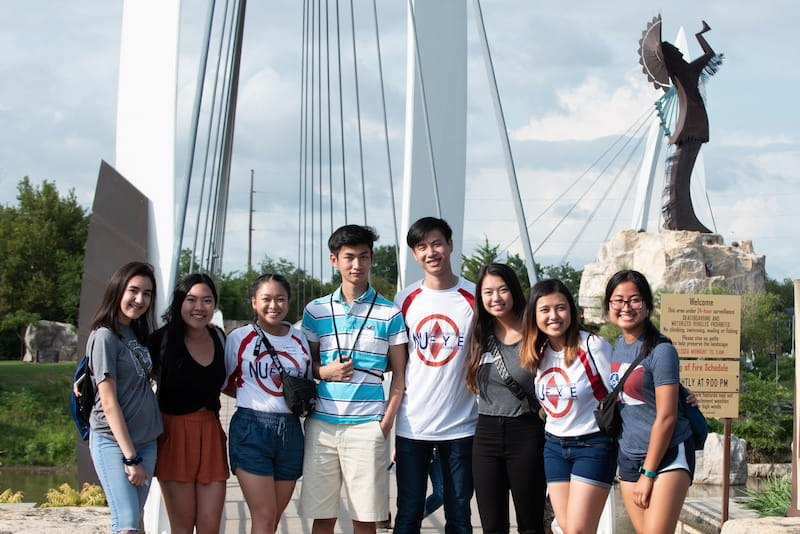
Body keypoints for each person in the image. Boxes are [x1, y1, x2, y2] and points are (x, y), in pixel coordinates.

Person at [300, 225, 408, 534]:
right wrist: (325, 372)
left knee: (366, 518)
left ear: (373, 258)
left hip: (367, 426)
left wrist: (383, 425)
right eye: (349, 257)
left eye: (363, 257)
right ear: (334, 260)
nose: (356, 265)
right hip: (322, 425)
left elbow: (400, 376)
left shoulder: (390, 313)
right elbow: (308, 365)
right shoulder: (315, 311)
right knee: (322, 517)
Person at [393, 217, 477, 534]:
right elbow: (394, 362)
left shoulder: (474, 295)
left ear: (451, 245)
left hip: (461, 426)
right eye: (422, 246)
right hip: (412, 425)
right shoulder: (404, 300)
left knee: (459, 514)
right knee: (408, 513)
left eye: (437, 243)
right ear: (415, 254)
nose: (431, 252)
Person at [520, 279, 615, 534]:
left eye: (560, 308)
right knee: (563, 526)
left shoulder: (593, 345)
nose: (554, 316)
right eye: (545, 309)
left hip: (593, 444)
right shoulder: (537, 352)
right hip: (554, 446)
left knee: (578, 530)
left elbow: (622, 390)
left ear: (571, 310)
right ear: (534, 315)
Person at [603, 270, 694, 534]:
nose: (626, 307)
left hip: (666, 454)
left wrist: (649, 473)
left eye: (634, 300)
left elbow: (667, 417)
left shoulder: (662, 349)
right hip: (629, 455)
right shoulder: (617, 346)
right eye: (618, 300)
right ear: (609, 305)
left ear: (647, 305)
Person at [224, 273, 312, 534]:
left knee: (272, 520)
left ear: (288, 302)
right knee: (263, 517)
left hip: (291, 432)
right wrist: (250, 396)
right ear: (254, 302)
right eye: (266, 299)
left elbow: (304, 383)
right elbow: (227, 381)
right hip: (251, 429)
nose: (273, 305)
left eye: (280, 299)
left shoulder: (300, 339)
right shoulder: (239, 338)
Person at [465, 263, 546, 534]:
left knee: (530, 524)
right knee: (492, 526)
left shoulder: (537, 334)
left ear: (514, 291)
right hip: (486, 434)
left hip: (527, 432)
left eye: (502, 290)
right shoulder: (478, 334)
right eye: (488, 292)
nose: (496, 298)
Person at [148, 273, 228, 534]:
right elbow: (131, 380)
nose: (199, 307)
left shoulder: (220, 338)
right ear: (179, 302)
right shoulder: (160, 341)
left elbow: (236, 382)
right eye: (191, 299)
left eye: (207, 300)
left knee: (209, 526)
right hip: (174, 435)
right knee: (181, 528)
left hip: (211, 434)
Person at [85, 261, 162, 534]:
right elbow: (108, 402)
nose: (140, 299)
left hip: (147, 441)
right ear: (118, 290)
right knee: (126, 523)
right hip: (115, 443)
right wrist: (130, 458)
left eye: (147, 293)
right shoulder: (104, 335)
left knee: (133, 521)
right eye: (133, 290)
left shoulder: (136, 333)